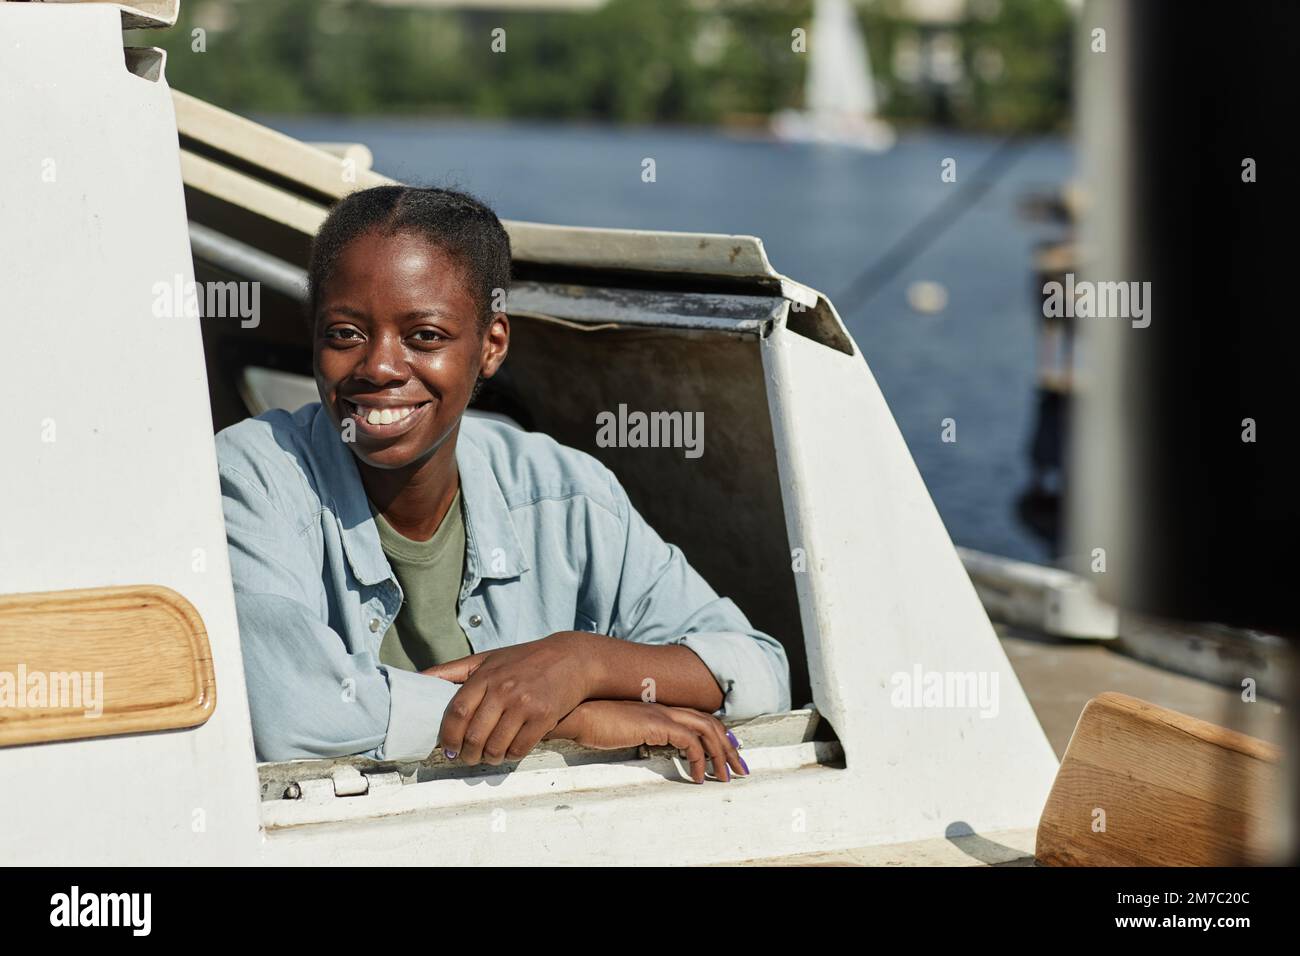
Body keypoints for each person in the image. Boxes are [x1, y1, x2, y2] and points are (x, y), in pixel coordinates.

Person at [216, 185, 791, 783]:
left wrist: (580, 663)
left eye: (426, 337)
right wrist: (565, 719)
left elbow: (759, 671)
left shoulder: (566, 494)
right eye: (344, 334)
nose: (380, 366)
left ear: (490, 346)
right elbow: (294, 714)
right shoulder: (253, 477)